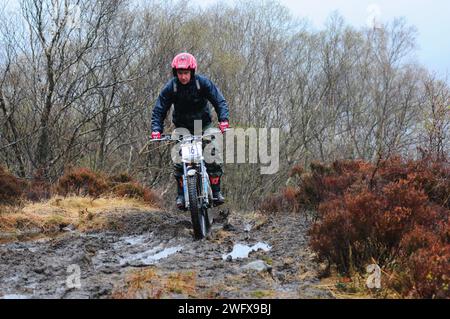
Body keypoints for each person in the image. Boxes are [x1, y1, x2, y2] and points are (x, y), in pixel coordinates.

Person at [151, 52, 230, 209]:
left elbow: (219, 100)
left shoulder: (203, 83)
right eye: (180, 73)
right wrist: (156, 129)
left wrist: (223, 120)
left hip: (204, 126)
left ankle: (215, 191)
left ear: (192, 72)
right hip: (182, 128)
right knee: (179, 160)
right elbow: (159, 109)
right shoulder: (171, 87)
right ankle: (181, 194)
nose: (183, 77)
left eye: (186, 73)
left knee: (213, 154)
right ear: (176, 73)